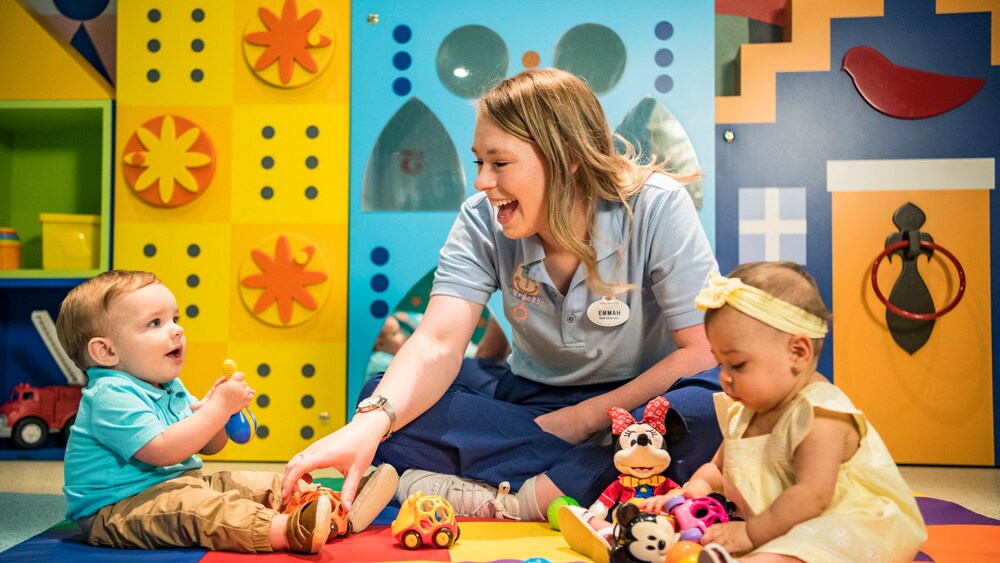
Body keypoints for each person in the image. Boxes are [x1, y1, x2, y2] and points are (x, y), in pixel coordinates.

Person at [283, 67, 722, 523]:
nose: (482, 182)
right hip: (532, 407)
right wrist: (371, 423)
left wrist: (585, 419)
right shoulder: (481, 219)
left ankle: (522, 498)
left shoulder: (657, 205)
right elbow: (436, 343)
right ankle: (590, 481)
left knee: (711, 403)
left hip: (640, 406)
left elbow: (702, 351)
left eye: (500, 163)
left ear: (568, 158)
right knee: (382, 403)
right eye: (479, 162)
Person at [57, 270, 396, 553]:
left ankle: (332, 504)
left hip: (180, 483)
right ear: (105, 351)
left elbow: (208, 446)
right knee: (202, 513)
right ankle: (289, 531)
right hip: (120, 510)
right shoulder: (109, 394)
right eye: (155, 323)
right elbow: (162, 451)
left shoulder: (166, 385)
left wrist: (219, 414)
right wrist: (217, 408)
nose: (177, 329)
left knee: (251, 483)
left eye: (174, 318)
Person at [641, 262, 927, 562]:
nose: (723, 377)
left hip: (850, 525)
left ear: (798, 353)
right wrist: (690, 492)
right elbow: (717, 469)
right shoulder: (746, 411)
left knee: (790, 551)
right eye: (719, 363)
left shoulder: (820, 415)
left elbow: (811, 496)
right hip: (781, 526)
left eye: (737, 364)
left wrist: (752, 534)